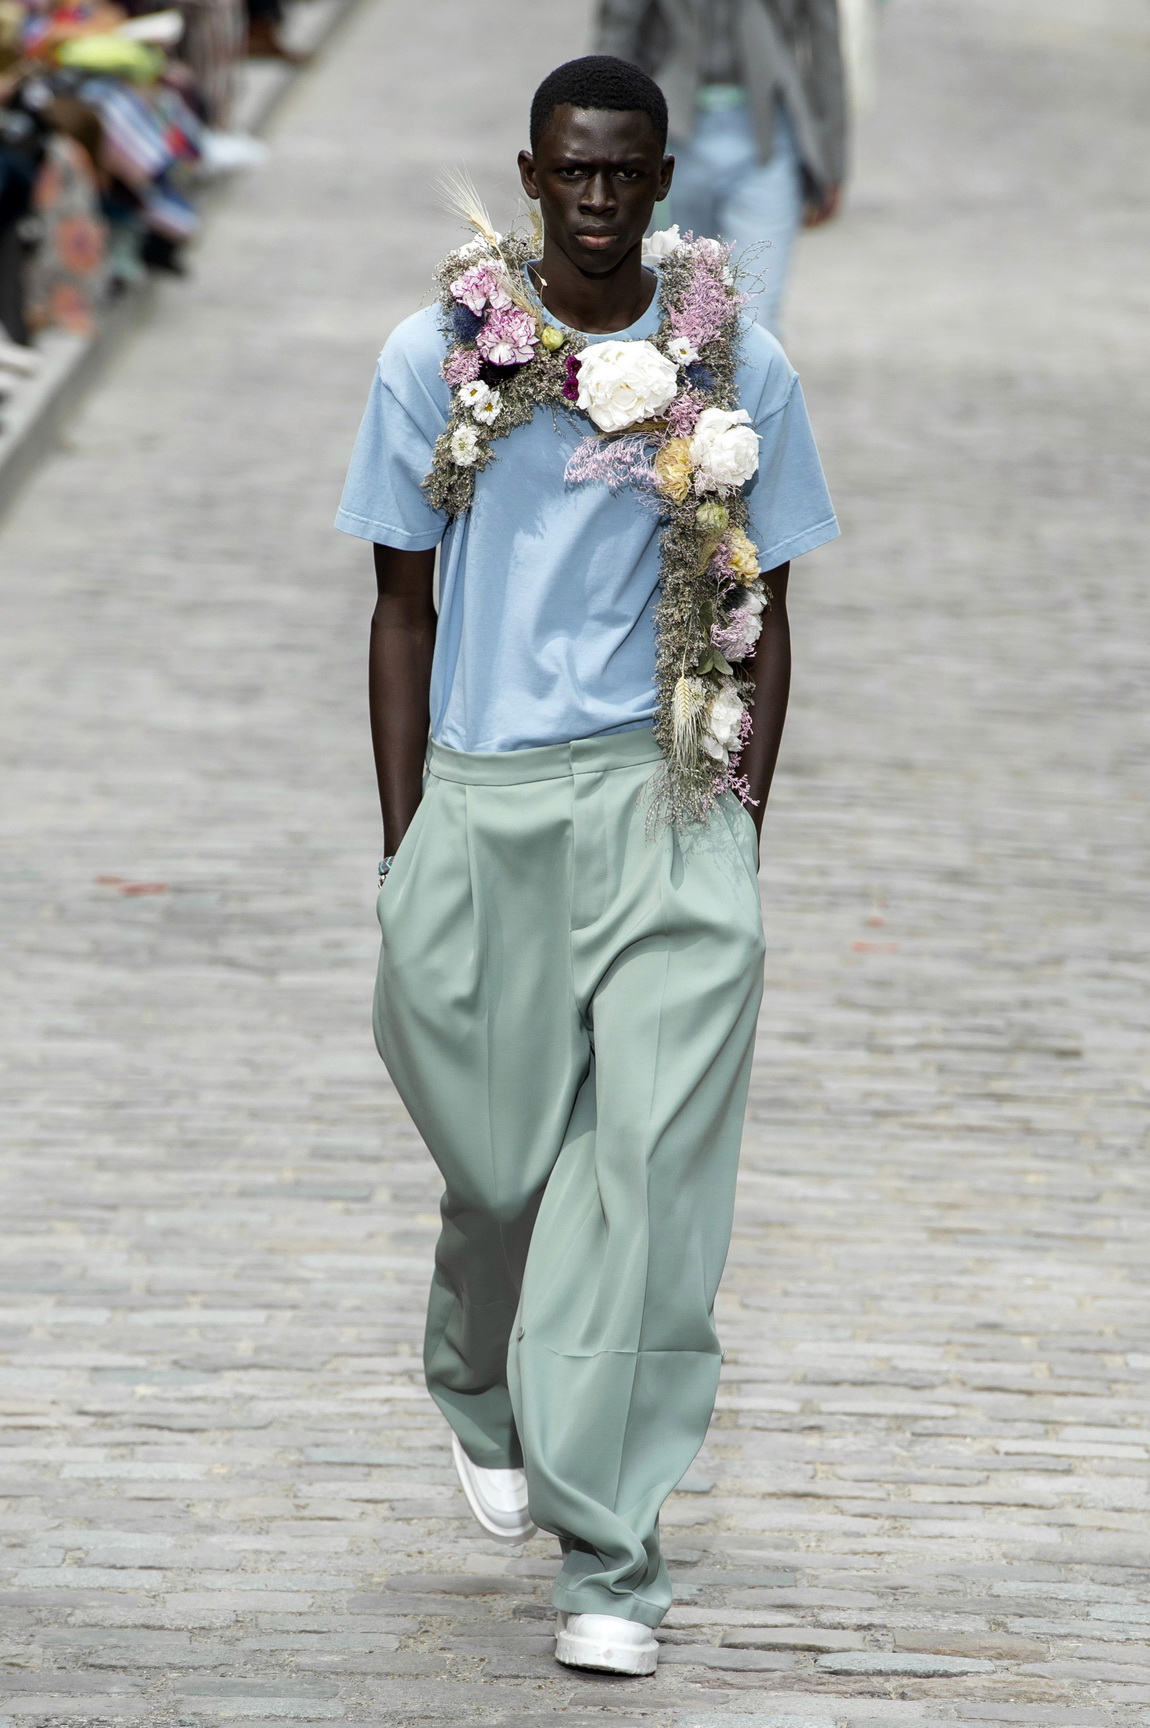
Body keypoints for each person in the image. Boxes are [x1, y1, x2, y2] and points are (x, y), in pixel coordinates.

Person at [335, 54, 838, 1677]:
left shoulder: (736, 361)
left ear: (664, 176)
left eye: (629, 172)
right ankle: (475, 1367)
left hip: (659, 796)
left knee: (647, 1182)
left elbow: (767, 608)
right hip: (484, 799)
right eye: (575, 171)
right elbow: (400, 607)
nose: (602, 199)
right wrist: (407, 843)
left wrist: (736, 830)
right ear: (534, 173)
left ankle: (614, 1548)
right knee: (506, 1167)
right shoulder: (435, 357)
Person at [594, 0, 845, 332]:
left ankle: (754, 384)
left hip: (768, 133)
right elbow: (618, 30)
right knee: (674, 307)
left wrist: (831, 163)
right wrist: (604, 144)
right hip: (671, 133)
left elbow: (825, 39)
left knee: (755, 319)